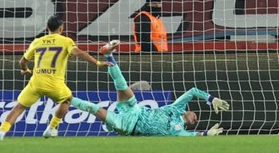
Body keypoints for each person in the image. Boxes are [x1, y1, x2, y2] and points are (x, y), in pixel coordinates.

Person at [69, 40, 229, 137]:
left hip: (127, 125)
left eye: (196, 120)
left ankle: (65, 98)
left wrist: (207, 133)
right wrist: (211, 98)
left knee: (91, 107)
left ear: (191, 123)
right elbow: (193, 91)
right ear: (187, 111)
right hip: (135, 110)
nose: (195, 117)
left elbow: (195, 136)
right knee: (122, 84)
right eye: (194, 114)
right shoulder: (176, 108)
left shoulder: (179, 131)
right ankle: (108, 54)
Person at [0, 16, 111, 141]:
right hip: (54, 84)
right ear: (61, 28)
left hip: (36, 83)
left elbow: (22, 61)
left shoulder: (37, 41)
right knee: (67, 100)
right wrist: (97, 63)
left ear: (47, 28)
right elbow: (78, 53)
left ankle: (1, 132)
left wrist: (25, 70)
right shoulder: (65, 41)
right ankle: (51, 128)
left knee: (19, 107)